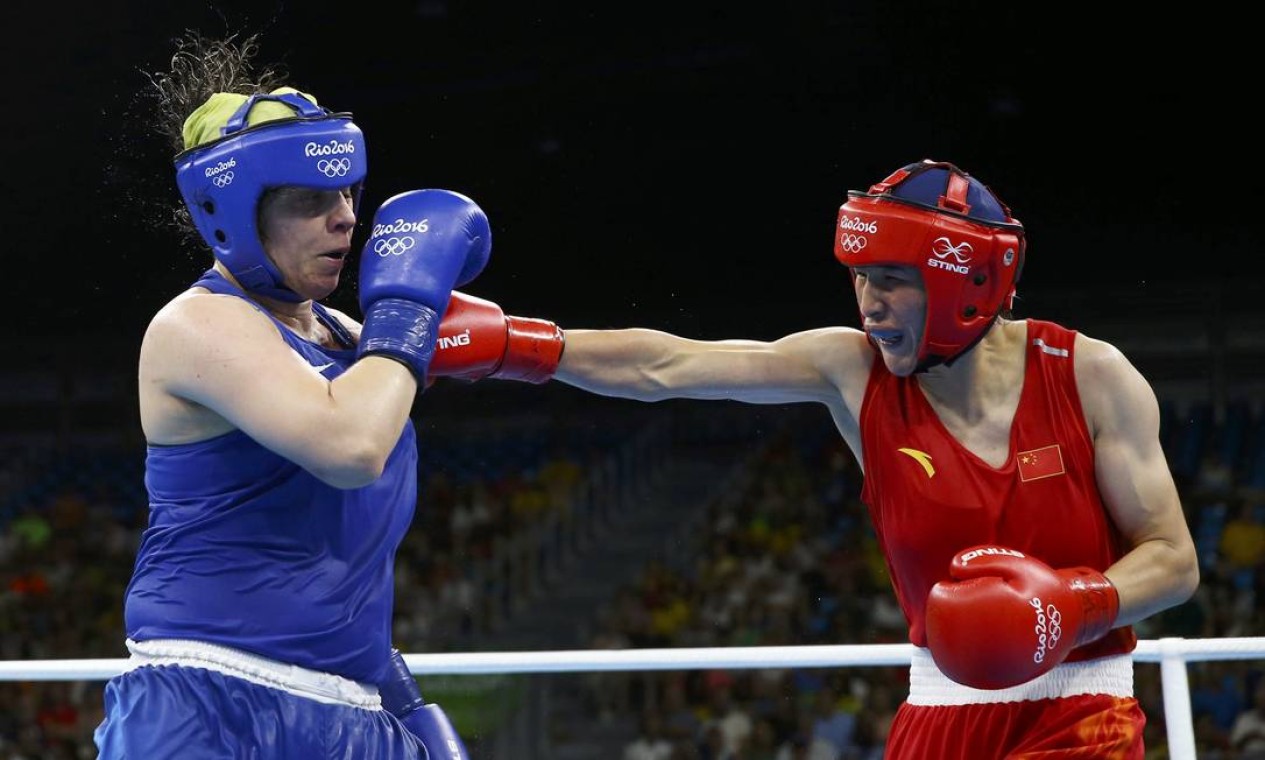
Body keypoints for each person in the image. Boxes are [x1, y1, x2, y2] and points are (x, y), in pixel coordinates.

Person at [428, 159, 1201, 757]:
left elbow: (1172, 560)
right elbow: (671, 366)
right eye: (860, 278)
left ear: (965, 280)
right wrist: (519, 348)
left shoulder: (1088, 374)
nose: (867, 303)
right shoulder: (851, 368)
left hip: (1082, 710)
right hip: (936, 712)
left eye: (892, 282)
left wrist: (1070, 608)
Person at [91, 31, 559, 758]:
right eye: (312, 200)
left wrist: (791, 362)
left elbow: (615, 361)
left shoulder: (357, 340)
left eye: (346, 192)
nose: (345, 217)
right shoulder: (197, 325)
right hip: (210, 705)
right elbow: (349, 448)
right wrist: (406, 313)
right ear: (234, 213)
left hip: (350, 704)